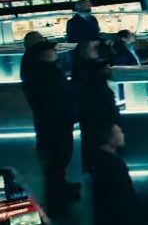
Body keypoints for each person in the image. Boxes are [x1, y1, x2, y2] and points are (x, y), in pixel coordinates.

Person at [23, 41, 77, 202]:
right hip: (54, 125)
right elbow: (51, 100)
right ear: (41, 55)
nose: (55, 52)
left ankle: (61, 186)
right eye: (51, 50)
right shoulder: (41, 76)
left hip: (59, 122)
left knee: (60, 159)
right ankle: (57, 194)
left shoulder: (46, 71)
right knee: (57, 159)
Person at [74, 48, 120, 173]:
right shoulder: (101, 89)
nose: (109, 70)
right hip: (100, 128)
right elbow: (106, 109)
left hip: (92, 128)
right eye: (107, 68)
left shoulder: (88, 87)